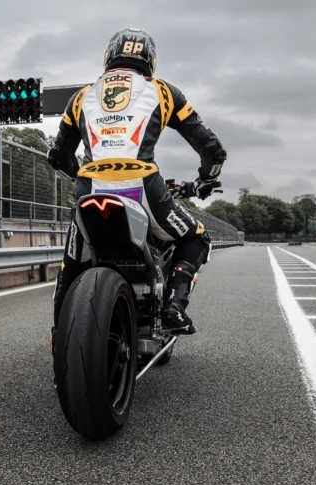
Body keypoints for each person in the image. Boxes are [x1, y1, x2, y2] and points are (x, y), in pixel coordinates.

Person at [47, 27, 227, 346]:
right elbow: (212, 149)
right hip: (143, 187)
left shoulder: (81, 96)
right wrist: (206, 179)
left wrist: (80, 175)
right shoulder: (163, 91)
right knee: (196, 237)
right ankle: (173, 307)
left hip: (90, 189)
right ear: (151, 60)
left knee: (71, 265)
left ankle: (59, 337)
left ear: (109, 56)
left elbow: (58, 156)